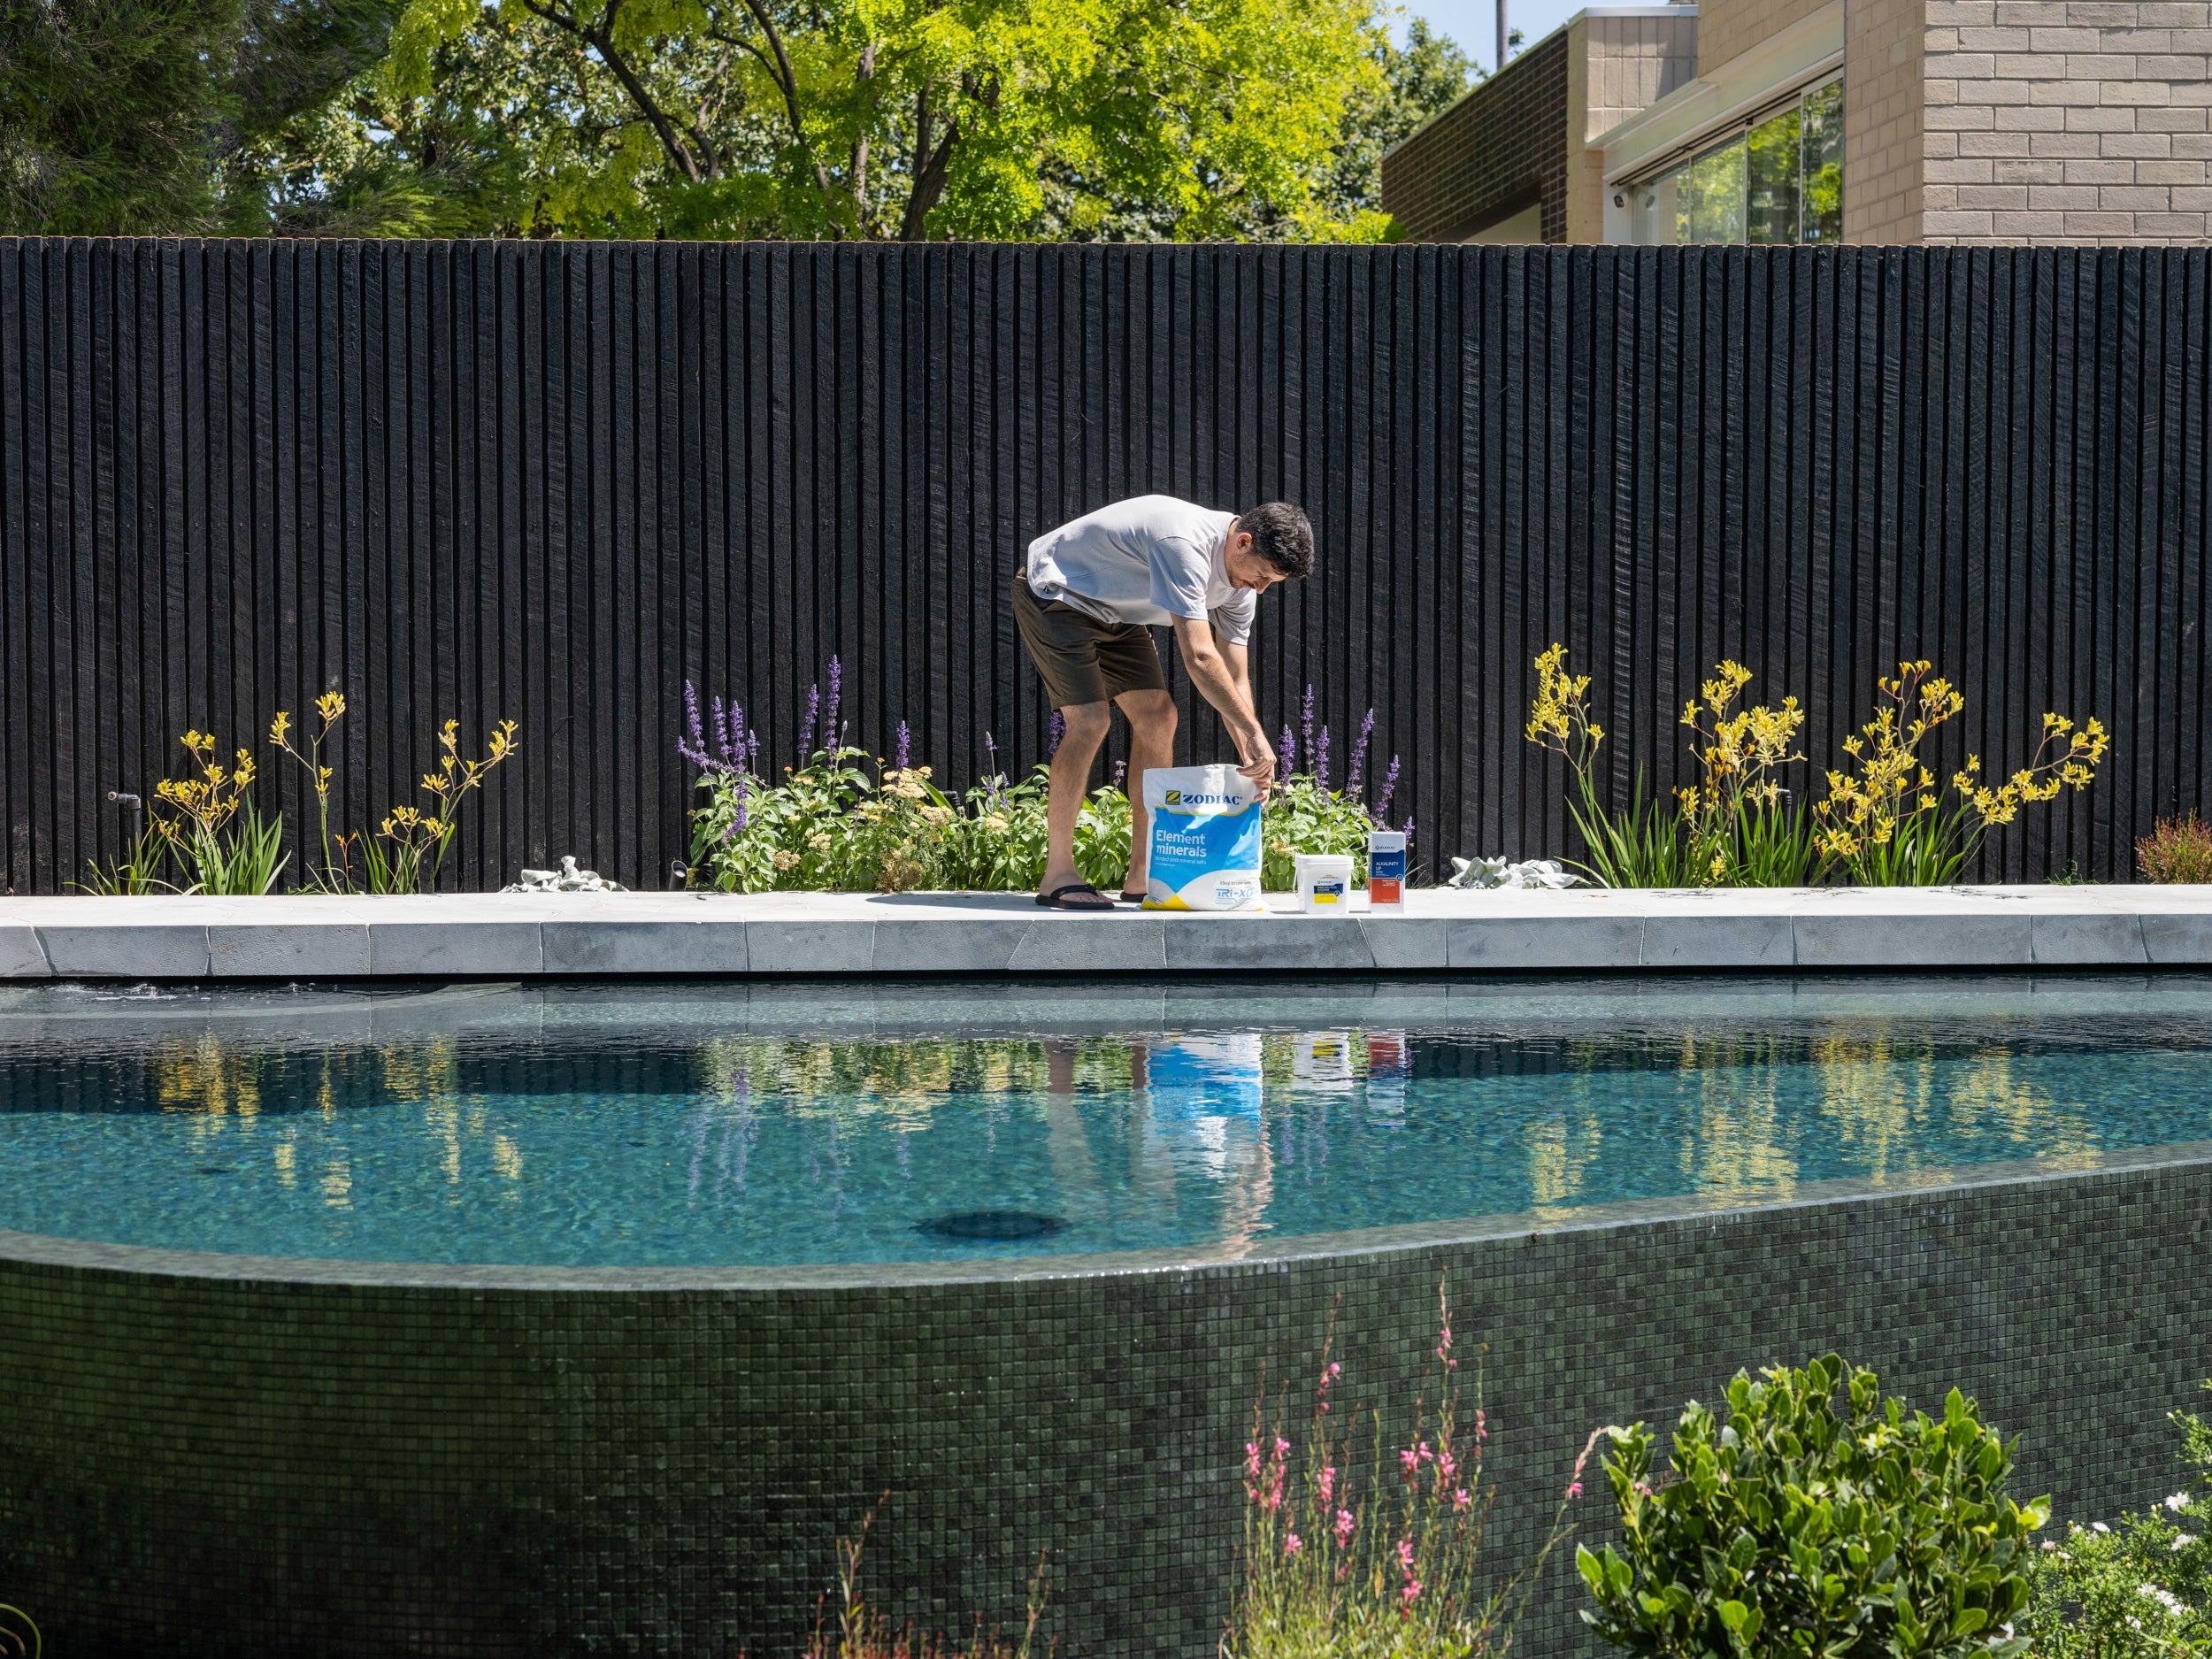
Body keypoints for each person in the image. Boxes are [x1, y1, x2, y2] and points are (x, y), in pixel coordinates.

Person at [1010, 494, 1315, 909]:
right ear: (1242, 541)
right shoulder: (1184, 543)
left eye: (1270, 584)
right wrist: (1252, 733)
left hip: (1117, 615)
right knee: (1091, 720)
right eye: (1261, 576)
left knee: (1158, 716)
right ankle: (1057, 874)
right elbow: (1201, 657)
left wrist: (1252, 751)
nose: (1260, 589)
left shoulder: (1242, 587)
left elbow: (1235, 675)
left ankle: (1142, 874)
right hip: (1058, 591)